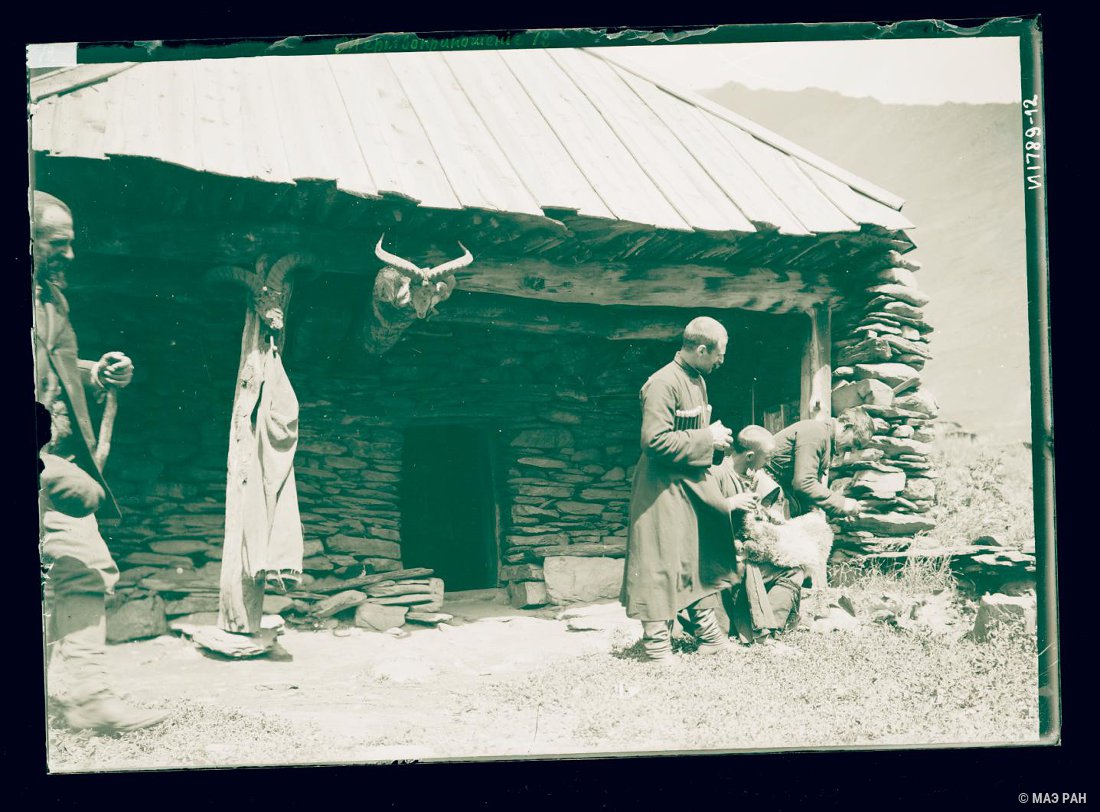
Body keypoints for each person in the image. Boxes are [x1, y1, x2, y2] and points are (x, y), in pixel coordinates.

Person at [34, 190, 169, 733]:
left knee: (84, 567)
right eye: (57, 243)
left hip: (53, 460)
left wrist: (96, 373)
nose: (69, 254)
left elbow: (50, 366)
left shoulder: (49, 300)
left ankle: (90, 699)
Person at [620, 316, 740, 664]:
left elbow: (687, 433)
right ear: (701, 349)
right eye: (719, 354)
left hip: (689, 485)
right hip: (660, 489)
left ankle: (710, 636)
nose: (722, 361)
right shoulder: (662, 383)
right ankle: (657, 647)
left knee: (697, 554)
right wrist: (707, 437)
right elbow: (654, 441)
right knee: (657, 562)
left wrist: (712, 438)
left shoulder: (698, 379)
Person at [711, 426, 807, 645]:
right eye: (767, 458)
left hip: (745, 553)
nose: (768, 463)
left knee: (795, 570)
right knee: (752, 568)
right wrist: (731, 504)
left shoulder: (751, 476)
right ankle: (759, 630)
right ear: (750, 456)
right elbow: (700, 515)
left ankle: (768, 625)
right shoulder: (716, 474)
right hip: (724, 560)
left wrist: (766, 516)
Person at [764, 408, 875, 520]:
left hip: (778, 492)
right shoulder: (816, 433)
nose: (853, 451)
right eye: (856, 442)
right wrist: (842, 503)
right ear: (847, 426)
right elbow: (804, 483)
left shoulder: (826, 440)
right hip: (766, 490)